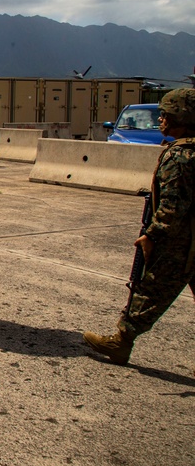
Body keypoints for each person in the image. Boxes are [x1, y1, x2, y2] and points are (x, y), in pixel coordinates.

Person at [84, 88, 195, 364]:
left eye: (166, 115)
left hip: (183, 242)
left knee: (151, 290)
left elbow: (171, 207)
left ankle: (121, 341)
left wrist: (151, 235)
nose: (161, 120)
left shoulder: (180, 156)